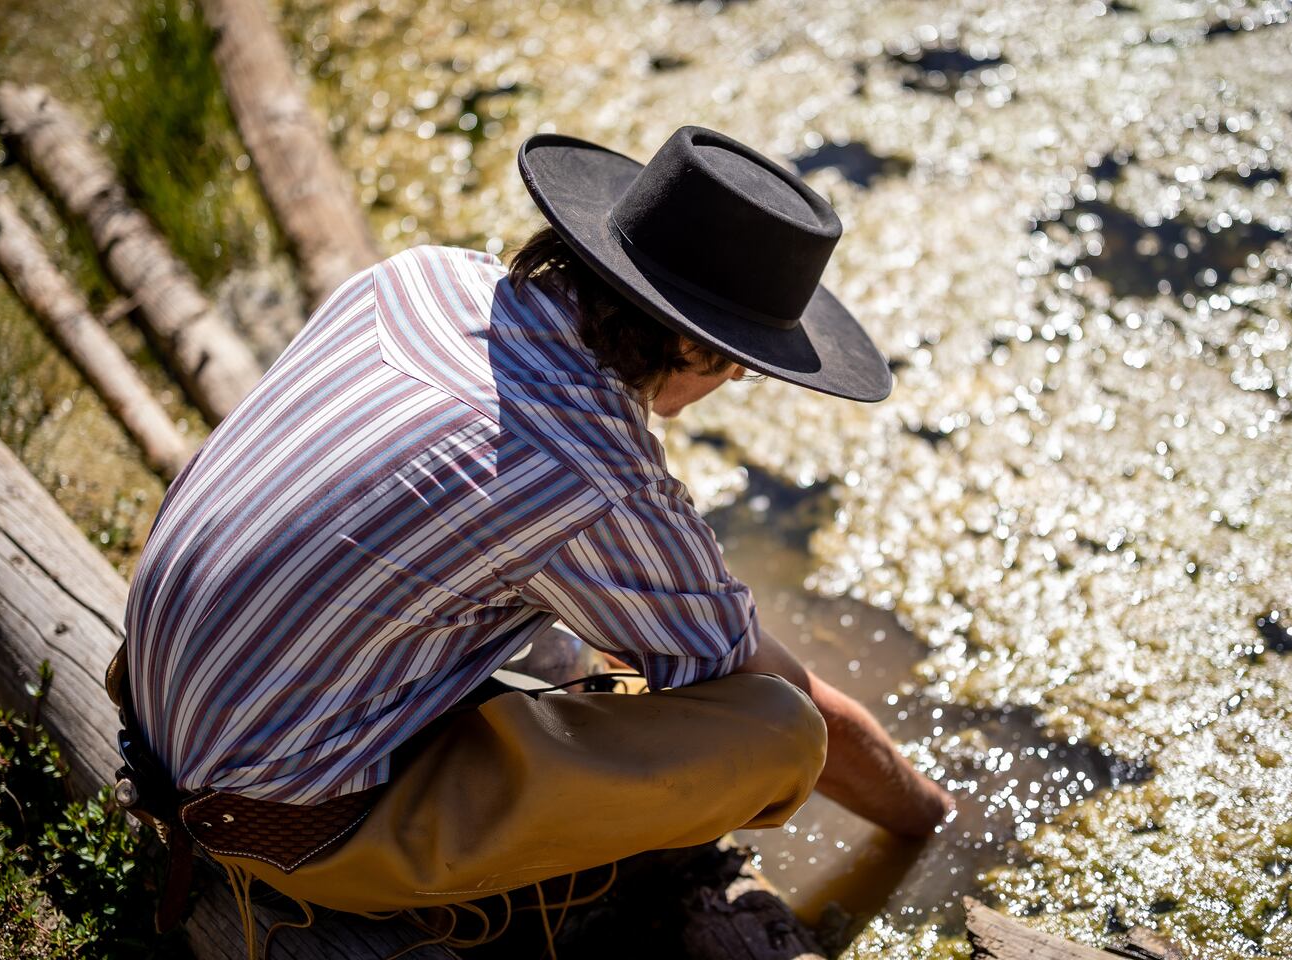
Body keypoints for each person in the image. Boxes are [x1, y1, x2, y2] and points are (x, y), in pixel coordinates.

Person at [112, 125, 953, 950]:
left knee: (563, 624)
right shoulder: (593, 479)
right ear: (693, 343)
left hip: (155, 703)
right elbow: (799, 702)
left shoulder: (420, 274)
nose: (737, 380)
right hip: (269, 819)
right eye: (742, 362)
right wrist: (930, 821)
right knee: (778, 734)